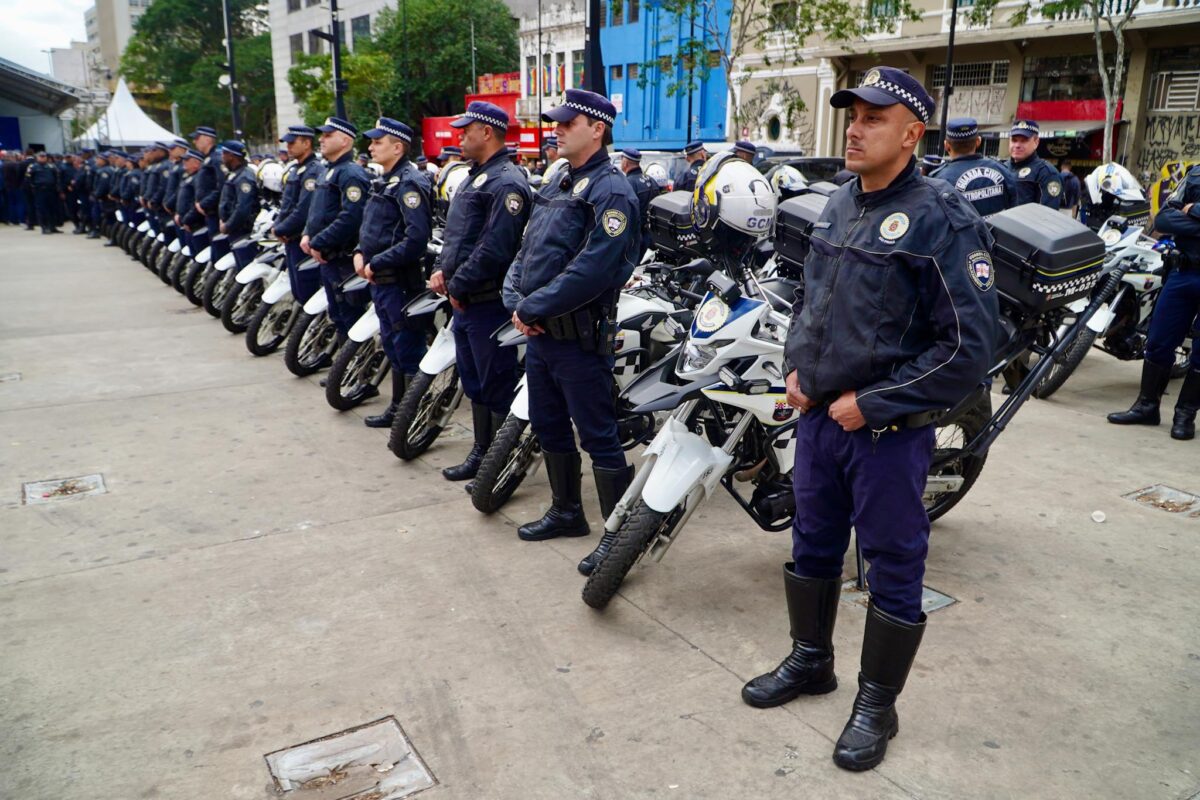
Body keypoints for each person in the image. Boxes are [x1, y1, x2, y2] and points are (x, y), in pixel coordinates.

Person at [741, 66, 998, 772]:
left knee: (891, 565)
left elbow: (970, 350)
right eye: (852, 114)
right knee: (813, 546)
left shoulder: (941, 218)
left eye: (874, 117)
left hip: (885, 434)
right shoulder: (837, 205)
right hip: (820, 423)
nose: (855, 127)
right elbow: (807, 300)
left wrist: (874, 402)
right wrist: (797, 368)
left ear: (913, 132)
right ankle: (809, 661)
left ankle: (877, 704)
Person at [502, 88, 640, 556]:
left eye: (567, 123)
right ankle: (566, 512)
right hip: (541, 336)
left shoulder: (613, 190)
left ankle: (617, 540)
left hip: (579, 340)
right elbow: (529, 246)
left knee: (599, 437)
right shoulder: (559, 179)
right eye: (556, 122)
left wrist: (532, 307)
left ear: (597, 129)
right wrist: (515, 298)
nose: (556, 129)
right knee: (548, 424)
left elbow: (594, 268)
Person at [427, 101, 530, 477]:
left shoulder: (507, 181)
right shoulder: (474, 176)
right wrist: (442, 269)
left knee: (496, 384)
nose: (459, 135)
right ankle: (482, 453)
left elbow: (495, 247)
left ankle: (499, 464)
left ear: (486, 132)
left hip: (487, 302)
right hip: (464, 299)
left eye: (465, 129)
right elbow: (456, 236)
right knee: (475, 383)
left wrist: (458, 282)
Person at [1107, 165, 1200, 440]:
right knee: (1158, 340)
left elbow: (1180, 216)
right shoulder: (1195, 175)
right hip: (1182, 272)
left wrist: (1193, 211)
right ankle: (1147, 406)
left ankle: (1185, 416)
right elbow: (1164, 220)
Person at [353, 117, 434, 428]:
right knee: (393, 347)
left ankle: (413, 416)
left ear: (398, 147)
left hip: (400, 282)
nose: (371, 147)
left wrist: (377, 262)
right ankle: (399, 409)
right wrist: (360, 252)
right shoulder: (385, 181)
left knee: (408, 349)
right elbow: (373, 228)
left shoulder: (410, 183)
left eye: (378, 142)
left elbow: (415, 240)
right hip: (382, 282)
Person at [301, 116, 372, 338]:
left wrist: (318, 242)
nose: (321, 139)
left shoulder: (350, 173)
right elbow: (317, 210)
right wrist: (306, 234)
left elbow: (351, 217)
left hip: (343, 259)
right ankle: (342, 372)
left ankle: (355, 368)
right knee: (338, 315)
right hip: (328, 257)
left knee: (351, 317)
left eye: (328, 135)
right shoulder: (328, 170)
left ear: (344, 141)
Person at [274, 125, 325, 304]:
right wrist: (278, 226)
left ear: (306, 143)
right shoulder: (296, 170)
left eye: (292, 143)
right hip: (291, 240)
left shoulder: (313, 171)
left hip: (302, 241)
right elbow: (286, 205)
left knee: (307, 292)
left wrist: (280, 229)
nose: (288, 147)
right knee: (298, 291)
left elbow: (303, 211)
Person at [929, 117, 1018, 217]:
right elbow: (1015, 210)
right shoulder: (1002, 170)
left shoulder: (939, 180)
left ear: (946, 145)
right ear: (978, 141)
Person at [217, 141, 260, 260]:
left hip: (242, 229)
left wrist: (228, 225)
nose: (222, 157)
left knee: (247, 266)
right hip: (234, 229)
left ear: (232, 156)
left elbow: (243, 208)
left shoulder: (244, 177)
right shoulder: (236, 174)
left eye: (224, 153)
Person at [1006, 120, 1062, 209]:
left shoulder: (1046, 172)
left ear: (1036, 142)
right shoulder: (1003, 167)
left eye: (1024, 141)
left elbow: (1048, 214)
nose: (1017, 145)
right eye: (1014, 140)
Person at [618, 148, 659, 262]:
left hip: (635, 238)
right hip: (651, 236)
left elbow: (624, 213)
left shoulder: (627, 183)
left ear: (625, 162)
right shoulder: (651, 181)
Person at [190, 126, 222, 240]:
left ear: (208, 139)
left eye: (197, 138)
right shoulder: (208, 159)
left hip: (215, 212)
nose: (194, 141)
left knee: (219, 249)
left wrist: (204, 203)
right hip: (208, 212)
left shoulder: (216, 159)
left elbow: (221, 187)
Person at [26, 152, 60, 234]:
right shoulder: (33, 167)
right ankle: (44, 227)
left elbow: (56, 177)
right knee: (42, 209)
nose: (42, 158)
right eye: (40, 157)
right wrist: (33, 187)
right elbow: (28, 179)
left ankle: (52, 226)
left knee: (52, 208)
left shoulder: (51, 166)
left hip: (51, 190)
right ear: (37, 158)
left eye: (44, 157)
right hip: (40, 190)